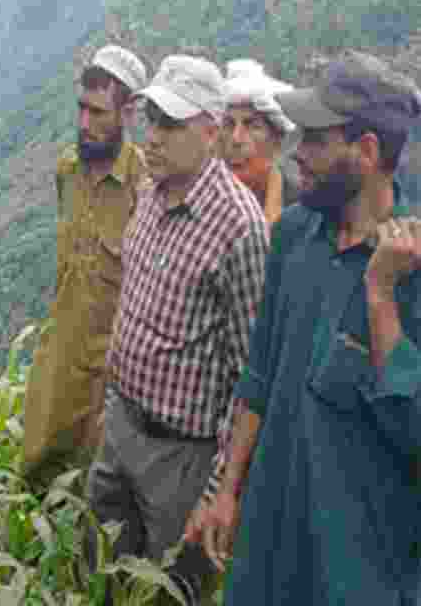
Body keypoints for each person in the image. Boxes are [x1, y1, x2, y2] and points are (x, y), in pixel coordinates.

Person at [184, 52, 421, 605]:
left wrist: (381, 296)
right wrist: (226, 490)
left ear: (366, 152)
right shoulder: (293, 236)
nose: (298, 156)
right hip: (270, 545)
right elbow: (260, 373)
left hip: (356, 570)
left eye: (316, 140)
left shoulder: (410, 274)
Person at [85, 55, 267, 605]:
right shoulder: (149, 191)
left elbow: (248, 373)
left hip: (181, 458)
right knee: (102, 572)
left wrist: (219, 491)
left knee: (170, 590)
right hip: (122, 429)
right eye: (152, 121)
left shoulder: (240, 229)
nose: (154, 138)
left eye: (171, 125)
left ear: (211, 132)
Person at [20, 45, 148, 492]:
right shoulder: (67, 172)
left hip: (108, 373)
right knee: (37, 472)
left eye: (98, 112)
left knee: (92, 491)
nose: (84, 124)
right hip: (60, 357)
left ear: (127, 114)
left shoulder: (143, 186)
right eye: (81, 109)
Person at [221, 59, 295, 227]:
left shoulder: (302, 206)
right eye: (229, 125)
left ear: (277, 140)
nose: (236, 139)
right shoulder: (202, 200)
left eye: (252, 126)